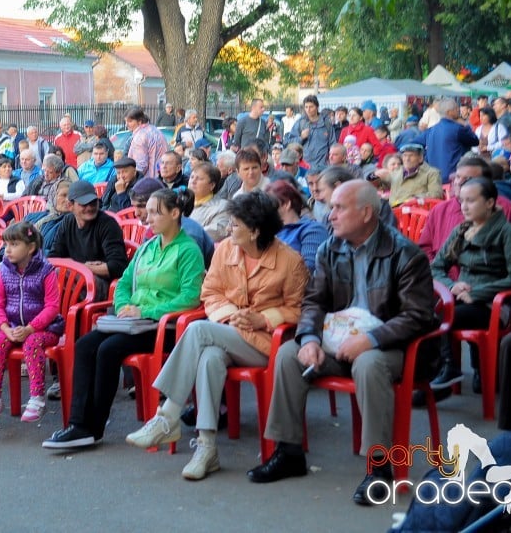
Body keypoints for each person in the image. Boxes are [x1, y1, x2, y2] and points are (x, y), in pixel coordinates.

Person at [246, 180, 436, 506]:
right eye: (331, 207)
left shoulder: (405, 255)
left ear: (365, 213)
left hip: (393, 348)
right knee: (290, 354)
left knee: (369, 362)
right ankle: (289, 451)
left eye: (339, 207)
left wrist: (371, 339)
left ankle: (379, 468)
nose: (330, 215)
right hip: (340, 340)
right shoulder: (330, 248)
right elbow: (314, 302)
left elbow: (418, 316)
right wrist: (308, 338)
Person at [126, 192, 308, 479]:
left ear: (256, 230)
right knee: (210, 358)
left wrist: (262, 318)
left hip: (265, 342)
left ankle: (167, 416)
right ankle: (207, 447)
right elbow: (209, 293)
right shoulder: (225, 250)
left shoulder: (290, 261)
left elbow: (298, 311)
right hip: (227, 332)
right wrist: (230, 314)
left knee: (197, 330)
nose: (228, 230)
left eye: (235, 225)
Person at [42, 188, 205, 449]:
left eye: (154, 212)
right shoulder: (148, 247)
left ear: (175, 214)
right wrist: (123, 306)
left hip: (164, 327)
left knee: (107, 350)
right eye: (147, 212)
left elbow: (190, 298)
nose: (147, 218)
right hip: (132, 323)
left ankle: (93, 428)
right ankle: (77, 424)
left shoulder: (188, 250)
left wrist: (145, 312)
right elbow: (125, 282)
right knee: (85, 345)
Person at [429, 177, 511, 400]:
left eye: (471, 201)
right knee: (424, 311)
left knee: (440, 313)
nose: (464, 206)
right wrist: (452, 286)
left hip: (492, 305)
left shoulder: (507, 232)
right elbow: (436, 267)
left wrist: (475, 293)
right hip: (461, 299)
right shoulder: (461, 231)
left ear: (490, 202)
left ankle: (448, 370)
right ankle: (442, 371)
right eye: (461, 200)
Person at [0, 222, 61, 423]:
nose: (7, 250)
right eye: (6, 244)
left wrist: (31, 328)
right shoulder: (4, 271)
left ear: (31, 247)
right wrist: (5, 328)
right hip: (13, 327)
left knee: (32, 343)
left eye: (14, 244)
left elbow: (52, 307)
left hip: (45, 328)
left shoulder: (46, 271)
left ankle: (36, 398)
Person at [418, 156, 511, 261]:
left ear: (485, 183)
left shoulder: (505, 208)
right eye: (458, 177)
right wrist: (436, 273)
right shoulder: (439, 210)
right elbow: (425, 248)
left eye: (468, 179)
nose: (459, 182)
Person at [49, 180, 128, 297]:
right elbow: (53, 257)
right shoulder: (67, 222)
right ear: (70, 205)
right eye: (84, 204)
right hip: (75, 279)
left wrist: (82, 267)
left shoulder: (108, 224)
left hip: (103, 284)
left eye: (93, 202)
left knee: (59, 274)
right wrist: (81, 266)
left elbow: (118, 267)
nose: (90, 207)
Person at [265, 179, 328, 273]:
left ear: (286, 204)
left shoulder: (312, 229)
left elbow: (308, 269)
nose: (265, 209)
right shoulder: (268, 231)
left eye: (269, 204)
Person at [415, 99, 480, 184]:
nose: (459, 111)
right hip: (453, 176)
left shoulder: (431, 130)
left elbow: (413, 143)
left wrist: (425, 155)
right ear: (449, 112)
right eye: (456, 109)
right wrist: (466, 125)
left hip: (433, 176)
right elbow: (475, 141)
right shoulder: (458, 129)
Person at [188, 163, 228, 241]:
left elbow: (216, 233)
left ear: (212, 185)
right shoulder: (179, 202)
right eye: (192, 177)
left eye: (199, 179)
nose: (193, 181)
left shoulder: (222, 207)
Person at [124, 108, 168, 179]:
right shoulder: (156, 131)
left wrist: (133, 181)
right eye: (126, 121)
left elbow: (141, 166)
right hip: (161, 177)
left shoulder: (140, 137)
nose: (126, 124)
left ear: (139, 121)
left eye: (130, 121)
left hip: (147, 181)